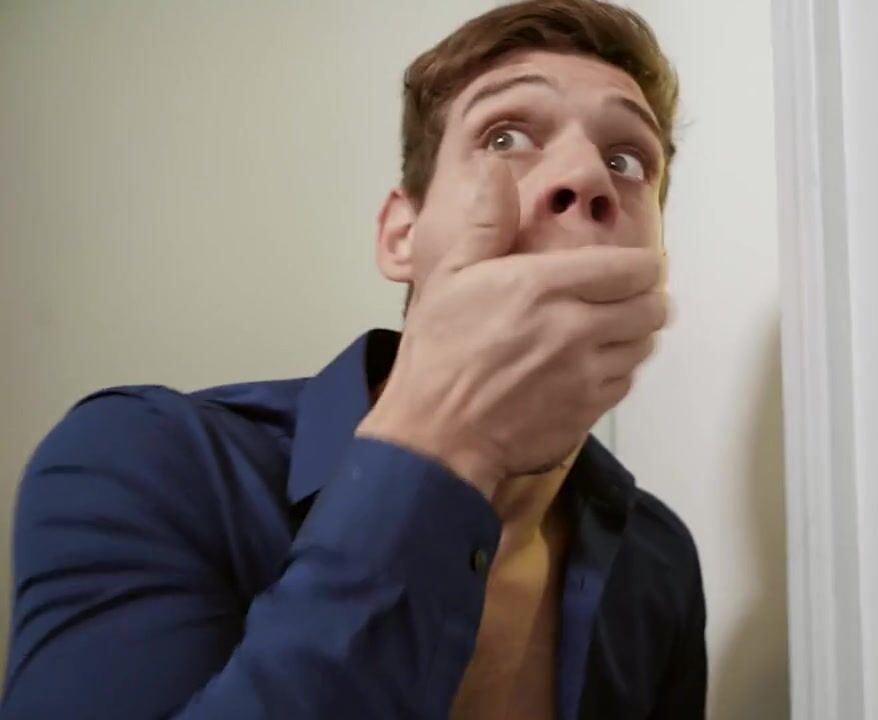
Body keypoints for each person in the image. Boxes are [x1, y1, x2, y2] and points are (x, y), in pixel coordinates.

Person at [1, 1, 705, 717]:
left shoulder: (659, 562)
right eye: (505, 137)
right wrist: (444, 439)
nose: (587, 176)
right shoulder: (142, 463)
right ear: (401, 235)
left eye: (625, 159)